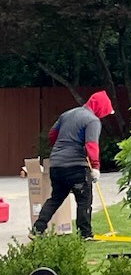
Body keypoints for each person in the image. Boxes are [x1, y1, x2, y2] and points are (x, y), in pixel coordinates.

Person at [33, 90, 113, 239]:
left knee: (55, 198)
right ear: (100, 108)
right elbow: (91, 145)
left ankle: (38, 229)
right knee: (84, 200)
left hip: (56, 164)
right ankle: (85, 234)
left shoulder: (67, 114)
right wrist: (95, 167)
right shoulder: (92, 120)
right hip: (75, 166)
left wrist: (60, 149)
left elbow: (52, 135)